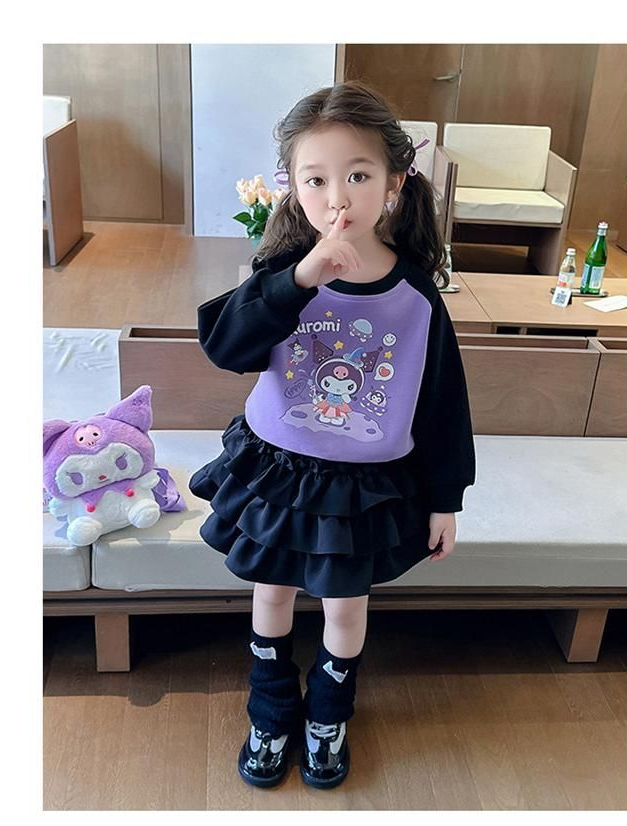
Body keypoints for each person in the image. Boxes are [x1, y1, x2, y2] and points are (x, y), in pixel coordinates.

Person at [189, 80, 476, 790]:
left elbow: (442, 403)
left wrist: (446, 498)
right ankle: (270, 712)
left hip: (364, 487)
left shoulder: (416, 294)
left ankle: (328, 716)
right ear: (292, 186)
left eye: (358, 175)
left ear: (395, 183)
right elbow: (227, 346)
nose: (337, 196)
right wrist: (299, 280)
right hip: (279, 473)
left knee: (347, 606)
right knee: (272, 594)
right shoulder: (281, 275)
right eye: (316, 179)